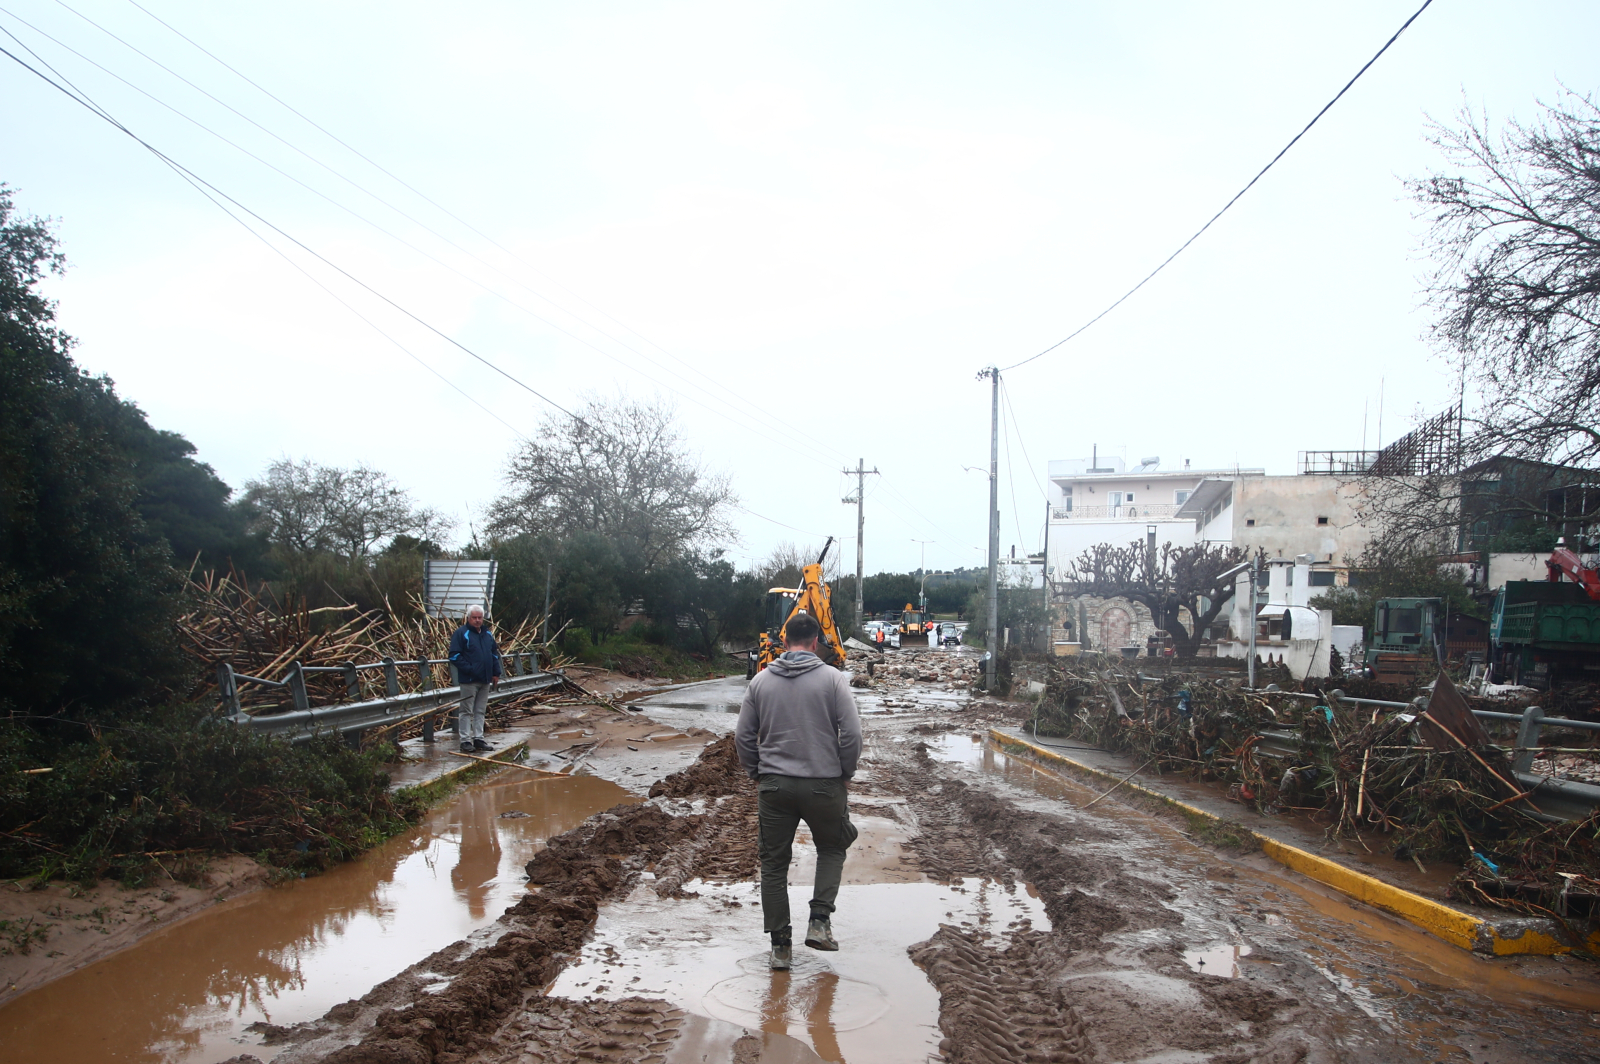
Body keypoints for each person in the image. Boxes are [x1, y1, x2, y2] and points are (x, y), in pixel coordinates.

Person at [735, 611, 862, 971]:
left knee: (774, 864)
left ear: (783, 641)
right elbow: (852, 734)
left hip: (775, 786)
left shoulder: (761, 681)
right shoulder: (833, 679)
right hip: (825, 784)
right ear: (816, 642)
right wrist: (845, 773)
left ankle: (780, 949)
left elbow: (743, 736)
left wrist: (757, 773)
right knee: (832, 847)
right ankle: (819, 922)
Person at [448, 604, 501, 753]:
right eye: (474, 618)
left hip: (485, 679)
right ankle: (465, 741)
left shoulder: (487, 634)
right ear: (468, 618)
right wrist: (470, 669)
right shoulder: (461, 633)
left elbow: (494, 653)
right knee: (466, 711)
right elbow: (454, 655)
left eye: (480, 618)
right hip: (469, 680)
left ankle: (479, 738)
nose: (477, 620)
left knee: (480, 710)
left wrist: (496, 672)